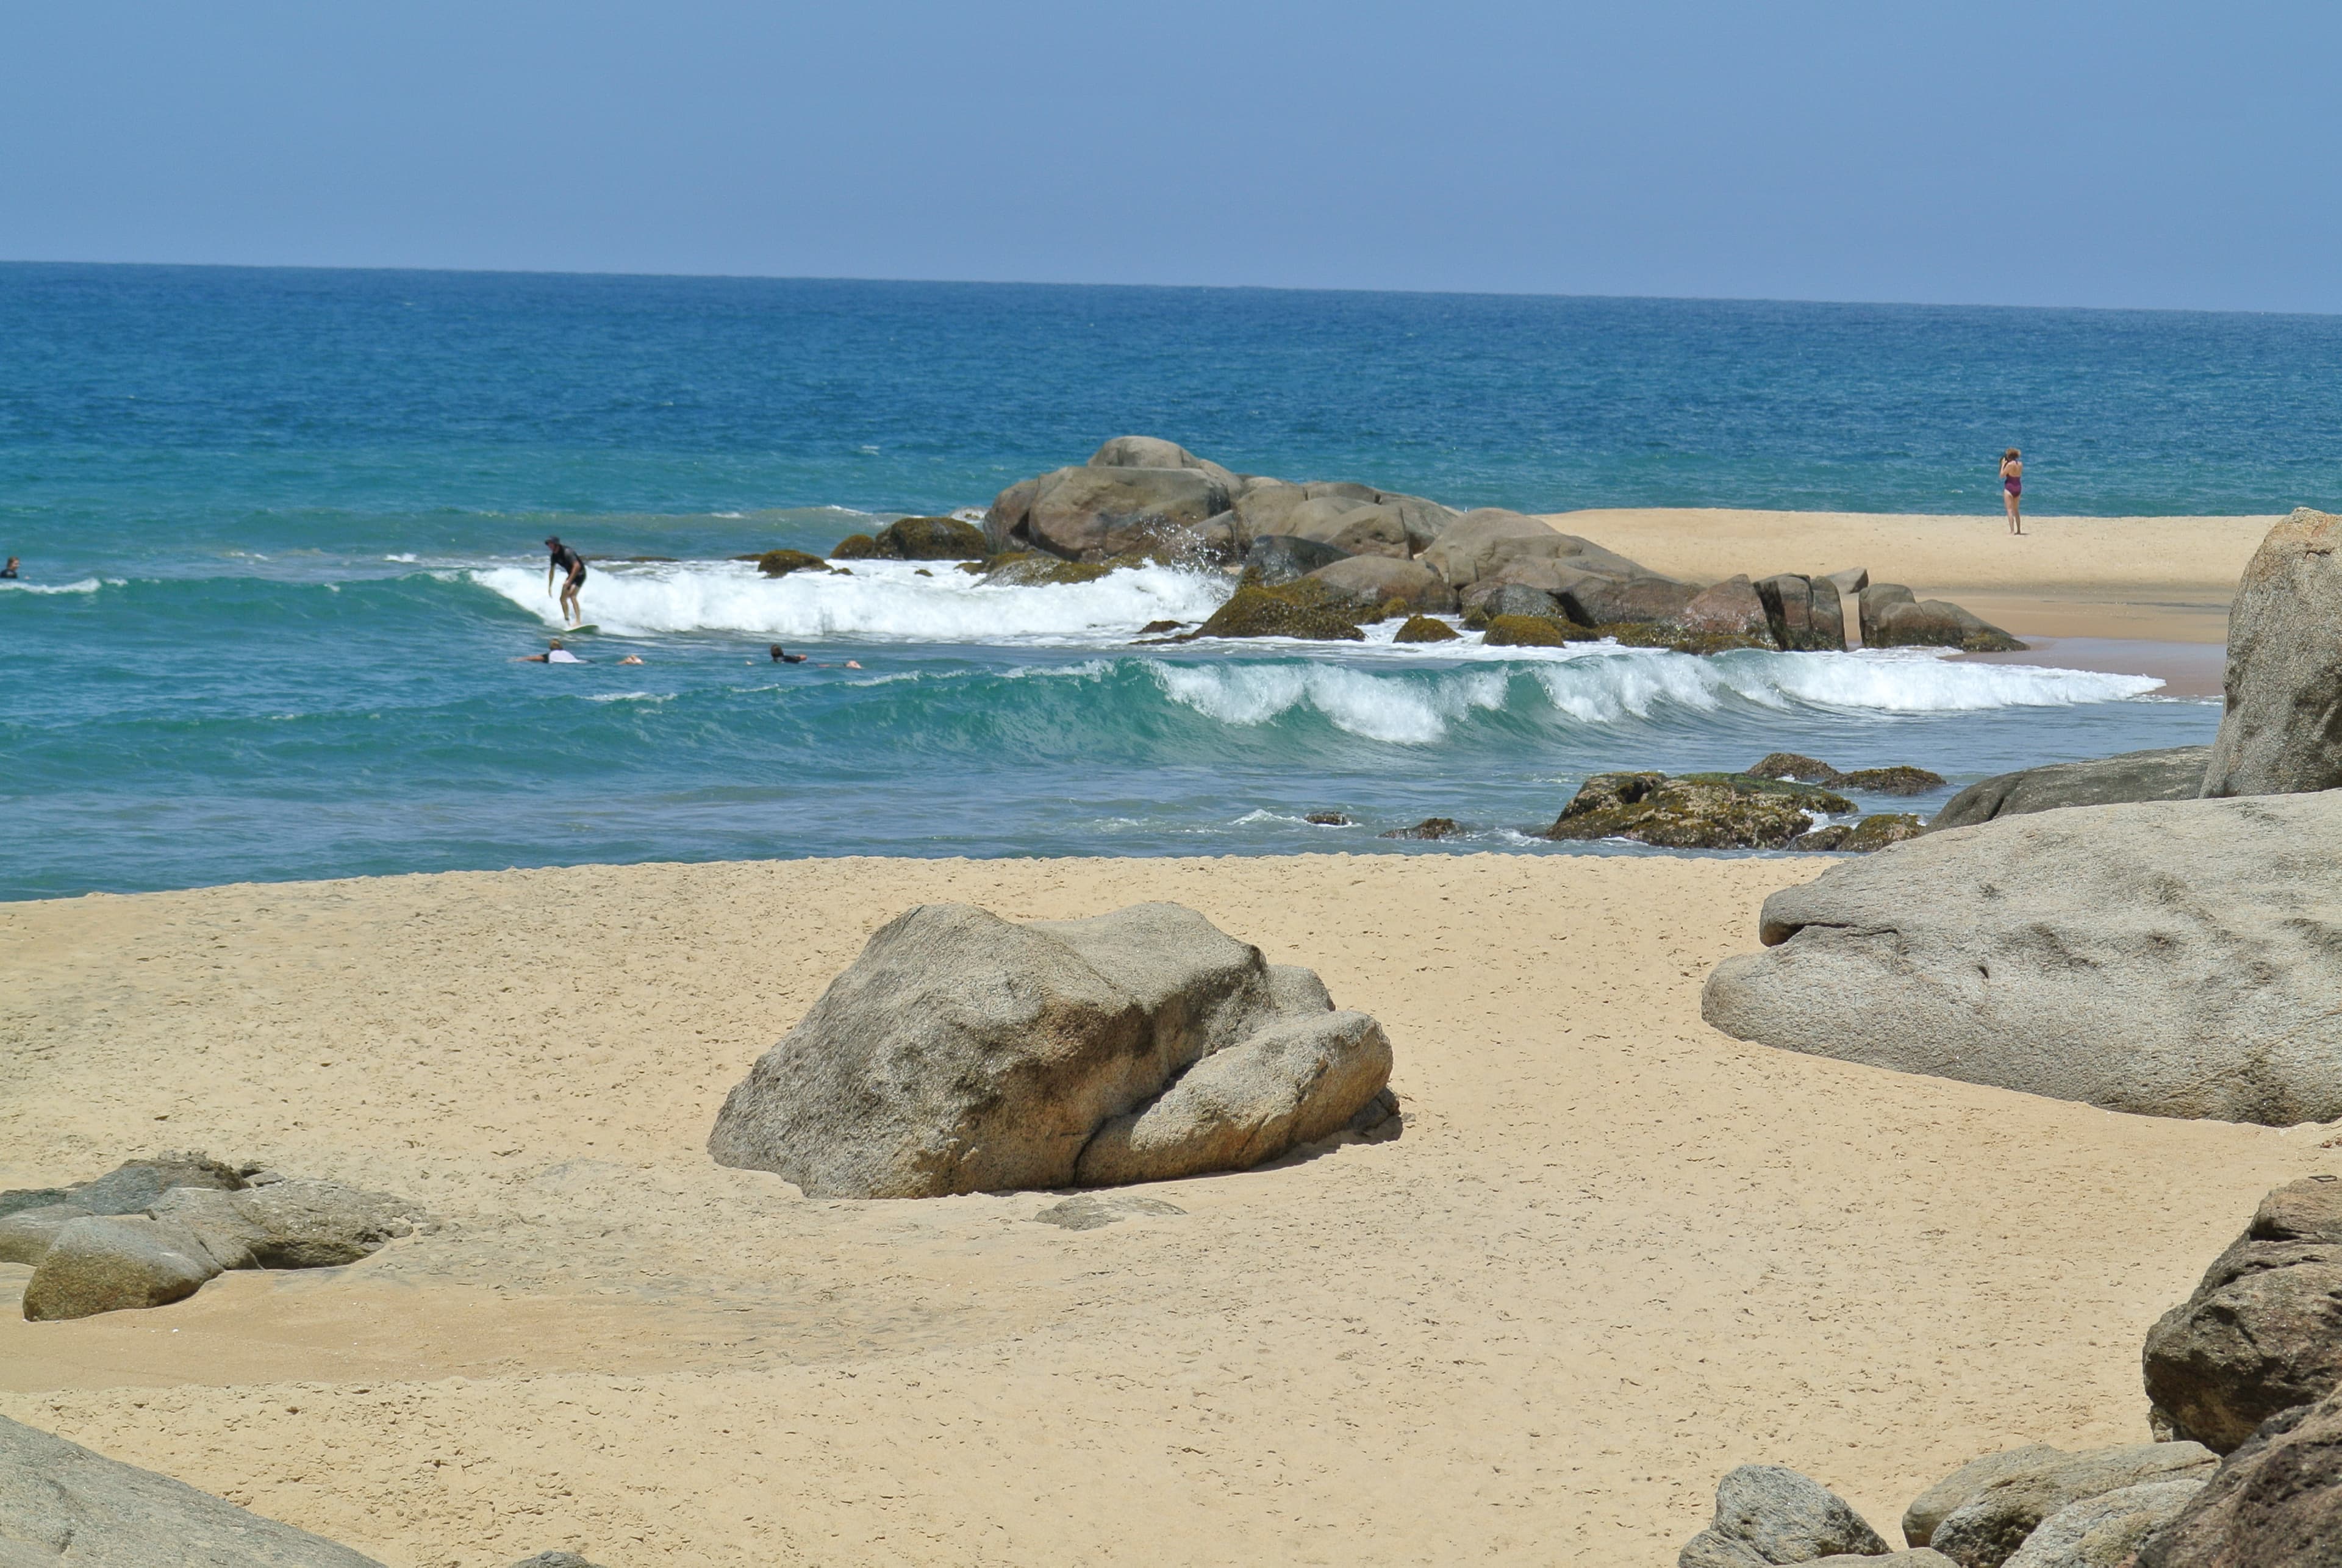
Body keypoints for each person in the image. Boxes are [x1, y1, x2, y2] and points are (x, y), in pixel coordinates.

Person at [545, 535, 587, 624]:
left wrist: (569, 581)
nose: (550, 546)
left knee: (572, 596)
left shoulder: (567, 552)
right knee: (562, 599)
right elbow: (552, 572)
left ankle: (578, 621)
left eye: (551, 544)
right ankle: (567, 621)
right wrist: (550, 586)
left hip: (580, 574)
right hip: (571, 575)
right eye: (549, 545)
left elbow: (577, 566)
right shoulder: (554, 556)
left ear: (557, 544)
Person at [2000, 448, 2024, 535]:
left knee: (2010, 510)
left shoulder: (2010, 465)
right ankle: (2019, 530)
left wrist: (2003, 465)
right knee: (2016, 510)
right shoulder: (2020, 464)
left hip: (2010, 487)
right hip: (2018, 487)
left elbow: (2002, 475)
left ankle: (2012, 531)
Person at [514, 637, 587, 664]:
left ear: (550, 648)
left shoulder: (549, 655)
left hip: (563, 664)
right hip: (580, 662)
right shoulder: (567, 653)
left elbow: (533, 658)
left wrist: (519, 659)